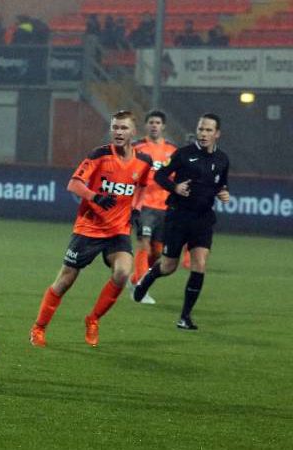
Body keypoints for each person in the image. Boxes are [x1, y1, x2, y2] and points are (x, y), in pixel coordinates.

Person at [29, 110, 152, 348]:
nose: (118, 132)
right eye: (115, 127)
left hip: (118, 230)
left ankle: (93, 319)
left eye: (124, 128)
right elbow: (74, 184)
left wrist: (136, 209)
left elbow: (142, 186)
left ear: (133, 132)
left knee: (122, 273)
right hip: (89, 228)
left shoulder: (144, 161)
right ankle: (39, 328)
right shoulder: (100, 155)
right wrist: (95, 197)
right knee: (65, 280)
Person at [132, 113, 230, 330]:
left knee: (200, 264)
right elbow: (160, 176)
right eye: (201, 129)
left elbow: (221, 184)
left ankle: (185, 317)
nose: (203, 134)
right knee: (168, 266)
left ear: (217, 134)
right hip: (178, 216)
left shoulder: (222, 159)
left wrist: (223, 192)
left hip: (203, 218)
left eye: (208, 130)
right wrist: (174, 187)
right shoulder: (183, 154)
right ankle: (145, 280)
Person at [126, 110, 178, 305]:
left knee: (157, 252)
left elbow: (177, 177)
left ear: (163, 126)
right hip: (143, 204)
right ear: (146, 125)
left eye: (158, 122)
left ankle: (134, 279)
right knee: (144, 243)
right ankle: (141, 287)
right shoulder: (137, 147)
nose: (154, 125)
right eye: (151, 122)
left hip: (164, 207)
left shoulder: (172, 150)